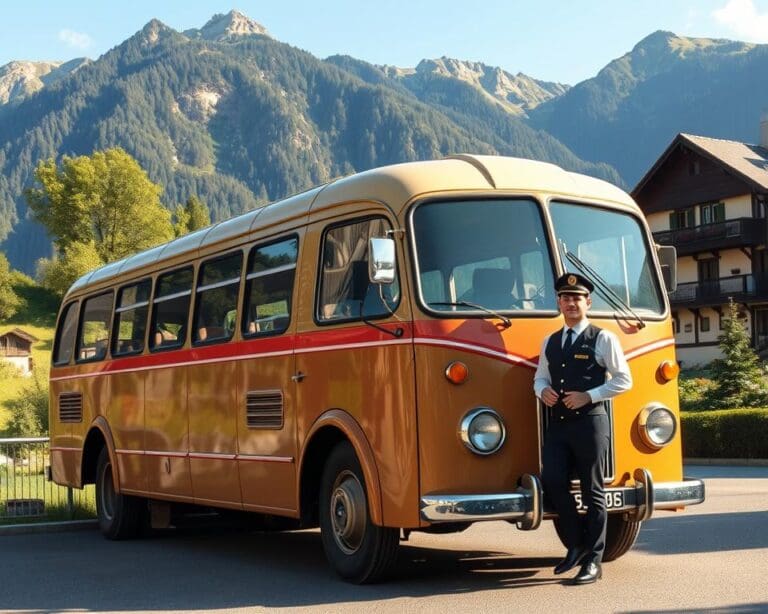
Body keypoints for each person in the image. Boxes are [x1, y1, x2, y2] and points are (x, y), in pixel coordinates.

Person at [533, 272, 632, 585]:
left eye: (577, 298)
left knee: (593, 491)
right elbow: (540, 376)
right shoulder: (550, 341)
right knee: (552, 481)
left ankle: (594, 560)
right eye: (565, 298)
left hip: (590, 424)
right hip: (559, 425)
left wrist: (589, 395)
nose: (571, 303)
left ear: (588, 302)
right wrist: (541, 390)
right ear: (559, 303)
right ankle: (575, 545)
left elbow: (623, 380)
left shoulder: (603, 338)